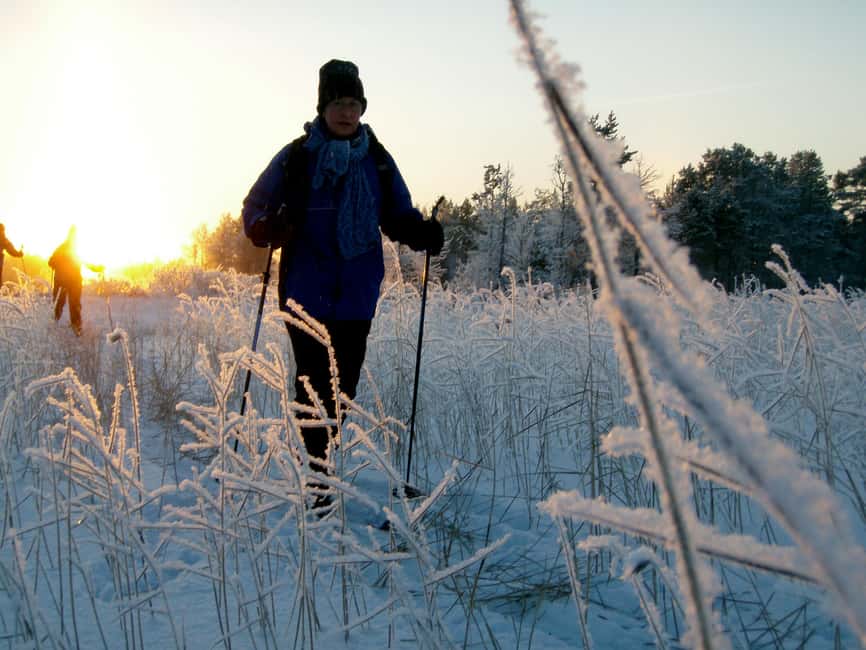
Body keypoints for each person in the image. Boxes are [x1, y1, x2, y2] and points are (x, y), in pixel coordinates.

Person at [242, 59, 443, 508]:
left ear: (362, 107)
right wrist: (268, 226)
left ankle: (323, 459)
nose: (346, 112)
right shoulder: (297, 156)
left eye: (353, 103)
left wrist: (421, 232)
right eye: (338, 102)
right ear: (323, 105)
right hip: (304, 289)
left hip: (356, 292)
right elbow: (254, 208)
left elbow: (397, 213)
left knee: (343, 386)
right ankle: (318, 477)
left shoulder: (376, 159)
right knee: (312, 384)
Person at [48, 226, 102, 336]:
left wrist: (96, 268)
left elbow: (50, 262)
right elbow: (51, 262)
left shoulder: (63, 247)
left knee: (60, 304)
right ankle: (76, 329)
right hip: (70, 281)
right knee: (71, 305)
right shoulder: (70, 248)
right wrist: (96, 268)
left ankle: (54, 326)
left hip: (65, 281)